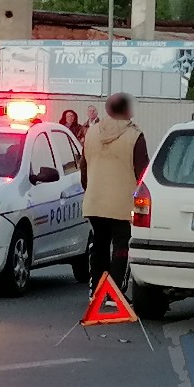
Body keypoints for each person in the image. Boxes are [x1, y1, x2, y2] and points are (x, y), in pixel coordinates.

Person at [80, 93, 149, 293]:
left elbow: (83, 167)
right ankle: (114, 292)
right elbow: (142, 173)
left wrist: (89, 190)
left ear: (108, 110)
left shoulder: (91, 133)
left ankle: (96, 289)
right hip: (122, 204)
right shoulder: (135, 135)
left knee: (99, 245)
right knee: (121, 247)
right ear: (128, 111)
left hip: (94, 200)